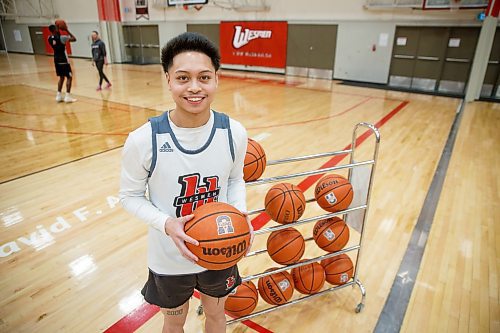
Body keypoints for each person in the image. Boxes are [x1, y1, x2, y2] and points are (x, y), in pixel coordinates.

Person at [119, 32, 253, 333]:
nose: (194, 88)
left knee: (217, 317)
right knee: (174, 321)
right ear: (168, 80)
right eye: (183, 78)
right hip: (168, 257)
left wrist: (241, 214)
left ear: (216, 79)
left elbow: (235, 180)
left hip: (221, 250)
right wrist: (167, 223)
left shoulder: (234, 132)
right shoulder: (143, 140)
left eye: (204, 77)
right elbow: (129, 196)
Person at [48, 24, 77, 103]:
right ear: (56, 30)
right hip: (64, 60)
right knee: (69, 77)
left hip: (56, 60)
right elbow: (74, 39)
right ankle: (67, 96)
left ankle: (58, 96)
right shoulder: (62, 38)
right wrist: (66, 30)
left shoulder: (49, 38)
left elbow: (55, 38)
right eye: (57, 28)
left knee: (61, 77)